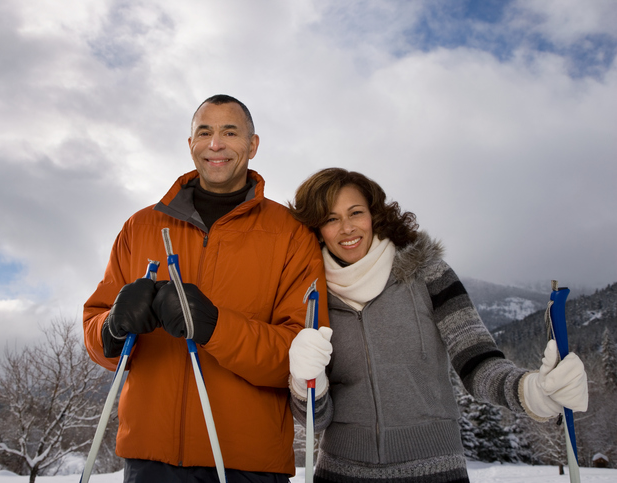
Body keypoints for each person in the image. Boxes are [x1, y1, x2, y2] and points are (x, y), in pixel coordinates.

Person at [83, 95, 328, 483]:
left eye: (230, 132)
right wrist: (112, 328)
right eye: (205, 132)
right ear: (191, 144)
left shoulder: (291, 235)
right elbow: (95, 335)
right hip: (150, 460)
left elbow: (301, 357)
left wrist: (216, 327)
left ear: (252, 145)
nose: (216, 144)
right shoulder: (140, 227)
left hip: (248, 464)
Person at [286, 168, 589, 483]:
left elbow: (478, 363)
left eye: (356, 213)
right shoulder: (310, 295)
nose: (347, 228)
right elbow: (316, 421)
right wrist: (308, 380)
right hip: (340, 474)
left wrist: (533, 391)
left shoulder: (426, 273)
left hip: (435, 471)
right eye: (331, 218)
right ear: (317, 229)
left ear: (374, 215)